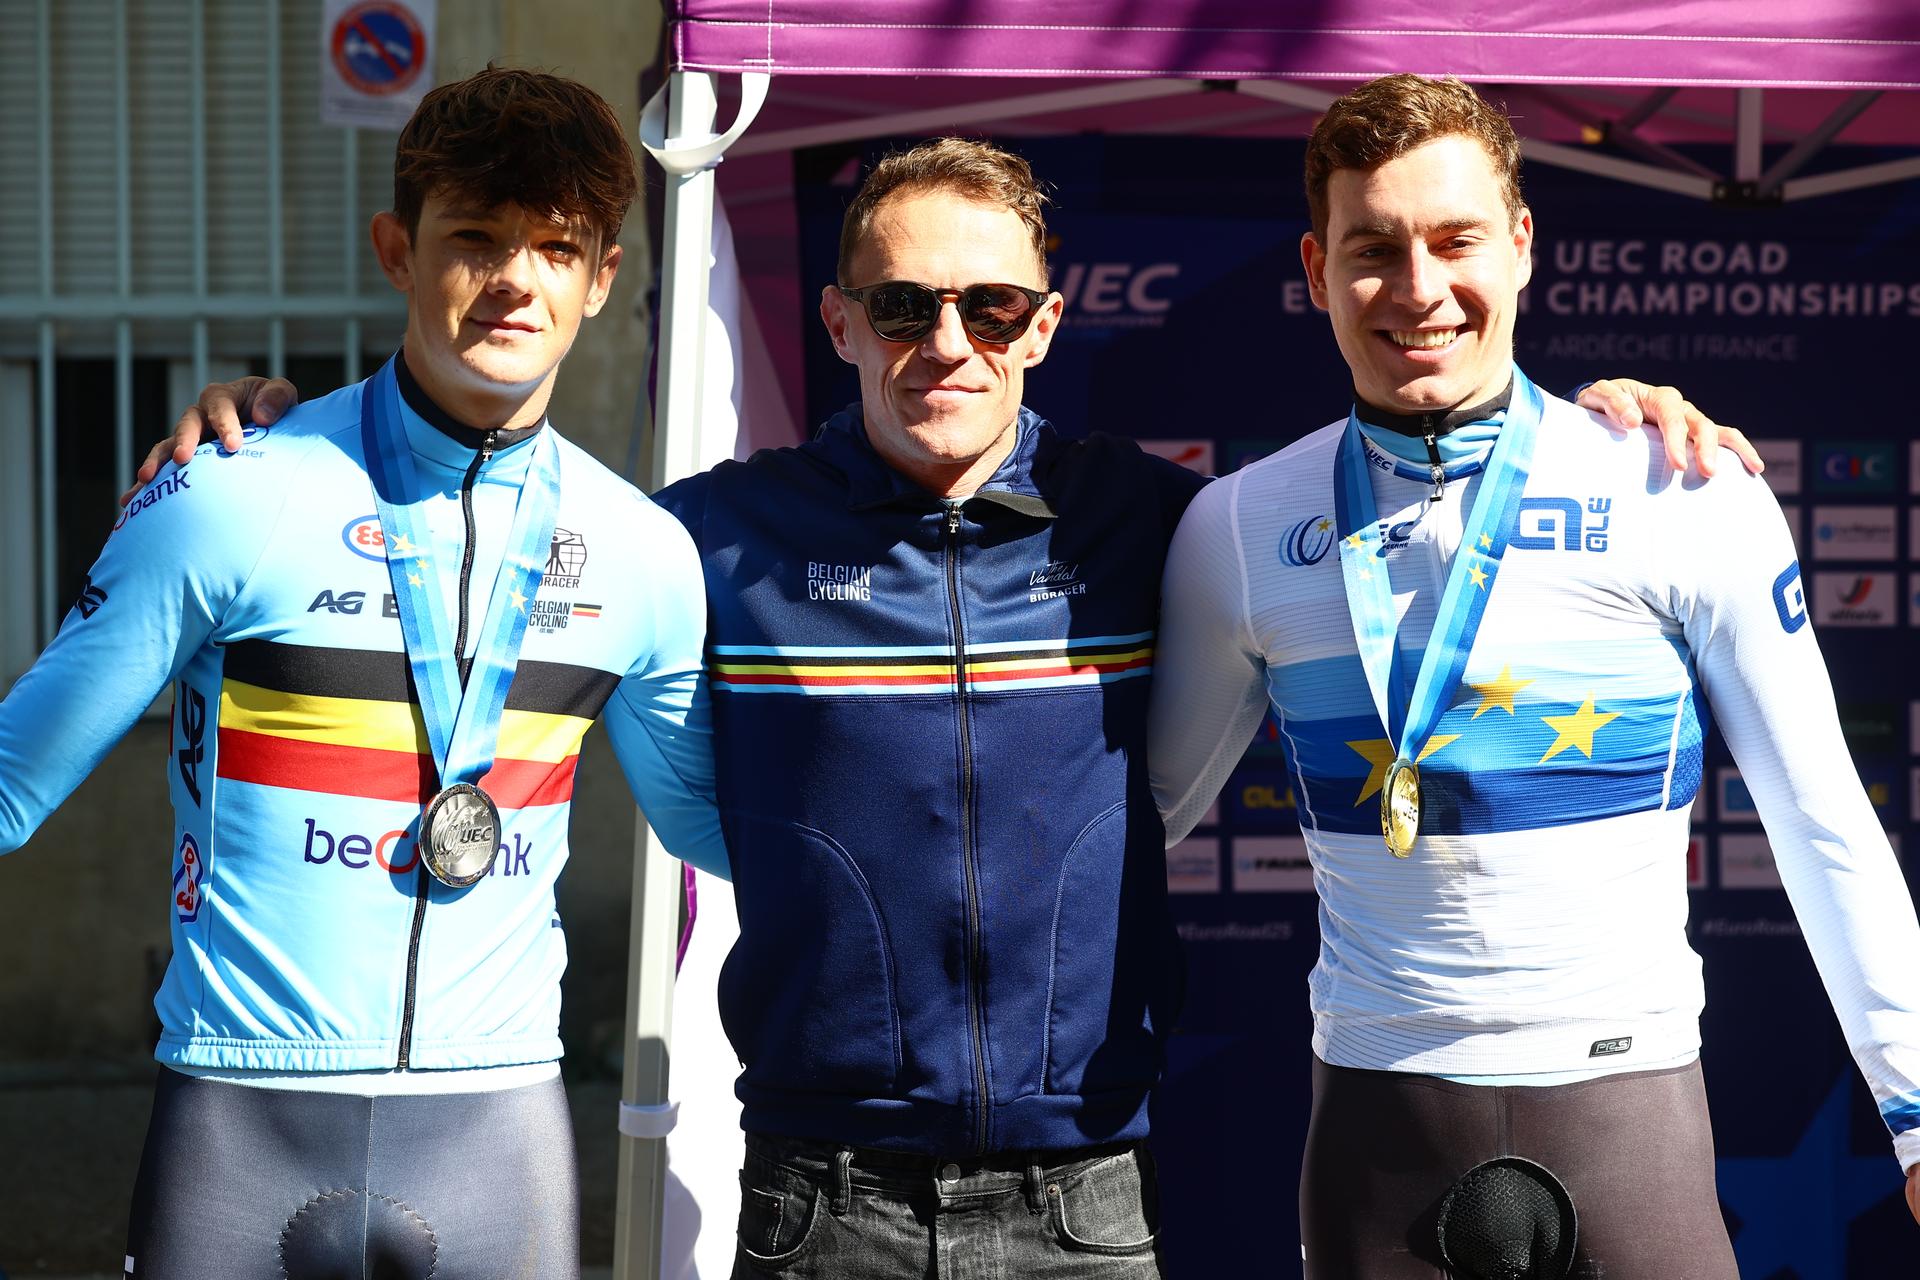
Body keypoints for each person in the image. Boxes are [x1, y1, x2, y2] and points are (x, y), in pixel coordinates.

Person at [166, 136, 1750, 1278]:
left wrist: (1614, 428)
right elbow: (485, 509)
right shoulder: (701, 538)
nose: (949, 342)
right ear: (839, 321)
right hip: (812, 1201)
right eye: (905, 306)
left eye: (993, 310)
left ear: (1046, 326)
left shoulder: (1167, 527)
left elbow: (1414, 494)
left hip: (1088, 1206)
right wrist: (280, 438)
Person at [1147, 73, 1920, 1278]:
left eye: (1455, 240)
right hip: (1375, 1136)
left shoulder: (1681, 485)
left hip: (1628, 1123)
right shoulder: (1241, 525)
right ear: (1313, 267)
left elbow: (1822, 818)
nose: (1418, 289)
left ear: (1519, 245)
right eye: (1373, 248)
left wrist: (1916, 1105)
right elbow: (1130, 830)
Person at [0, 68, 727, 1280]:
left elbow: (718, 825)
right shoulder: (230, 488)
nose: (515, 278)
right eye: (476, 238)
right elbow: (13, 779)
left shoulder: (647, 552)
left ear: (604, 277)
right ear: (398, 248)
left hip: (499, 1136)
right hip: (238, 1119)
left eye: (556, 246)